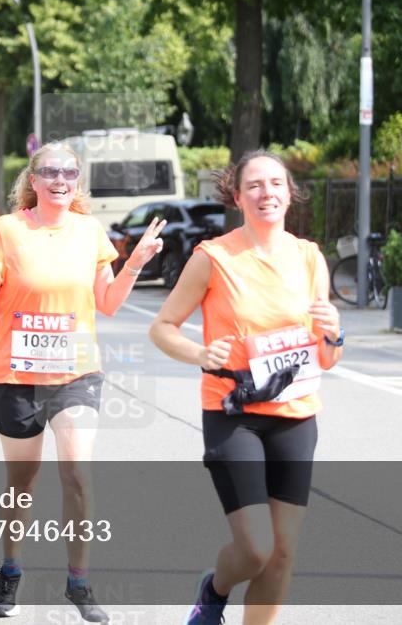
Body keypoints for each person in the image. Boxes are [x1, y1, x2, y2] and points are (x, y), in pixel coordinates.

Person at [0, 142, 165, 621]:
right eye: (50, 171)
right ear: (32, 181)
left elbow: (109, 303)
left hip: (76, 372)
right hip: (14, 373)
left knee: (77, 472)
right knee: (22, 482)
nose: (60, 179)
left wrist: (134, 262)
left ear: (77, 181)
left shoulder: (90, 231)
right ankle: (10, 570)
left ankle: (79, 581)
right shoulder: (7, 230)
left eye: (69, 172)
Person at [149, 149, 342, 625]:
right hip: (233, 413)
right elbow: (163, 327)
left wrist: (335, 331)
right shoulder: (214, 257)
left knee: (282, 555)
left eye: (276, 183)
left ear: (289, 194)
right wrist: (198, 354)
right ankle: (214, 590)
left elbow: (327, 355)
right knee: (256, 549)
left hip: (296, 415)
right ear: (237, 196)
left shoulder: (309, 257)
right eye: (254, 185)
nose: (266, 193)